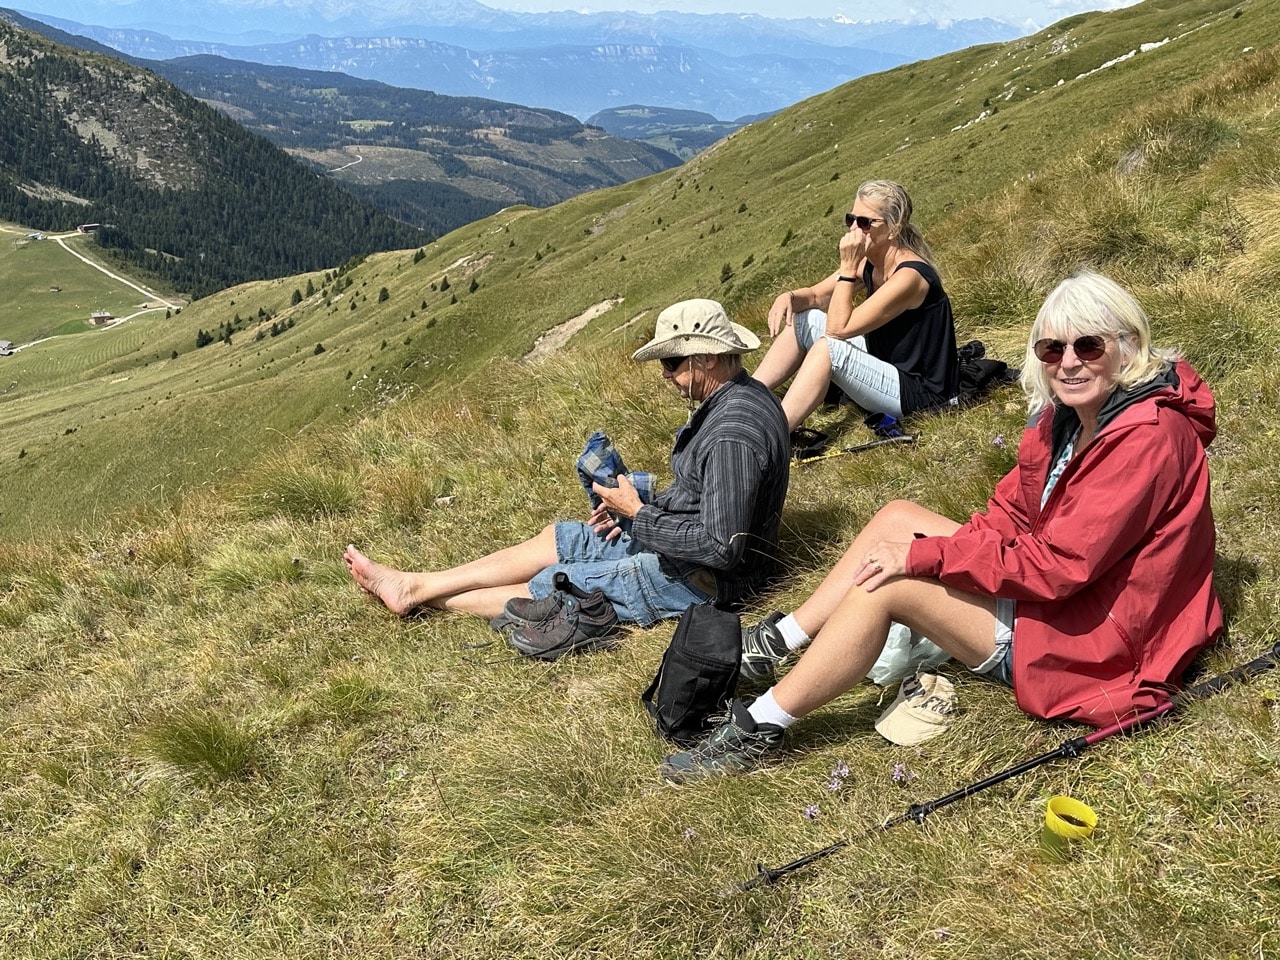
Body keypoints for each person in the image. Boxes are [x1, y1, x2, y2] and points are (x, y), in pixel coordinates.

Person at [661, 271, 1224, 782]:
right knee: (897, 519)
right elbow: (1011, 514)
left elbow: (1058, 568)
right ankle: (782, 642)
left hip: (1094, 642)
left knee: (893, 582)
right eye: (1053, 348)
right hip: (1069, 599)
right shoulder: (1074, 418)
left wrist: (925, 562)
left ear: (1127, 348)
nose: (1069, 362)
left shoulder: (1145, 438)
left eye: (1088, 345)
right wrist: (935, 552)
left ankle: (758, 727)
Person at [344, 298, 790, 648]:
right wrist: (633, 506)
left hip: (705, 583)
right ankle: (415, 585)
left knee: (547, 586)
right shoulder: (744, 395)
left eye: (671, 364)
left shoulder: (732, 434)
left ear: (706, 359)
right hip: (684, 551)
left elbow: (721, 547)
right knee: (562, 539)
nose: (665, 375)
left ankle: (420, 596)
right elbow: (708, 499)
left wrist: (638, 514)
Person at [753, 179, 959, 432]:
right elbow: (817, 296)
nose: (853, 229)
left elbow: (838, 330)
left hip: (920, 393)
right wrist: (789, 297)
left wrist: (848, 269)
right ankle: (746, 397)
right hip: (886, 365)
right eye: (850, 219)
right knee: (804, 319)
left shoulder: (910, 277)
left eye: (864, 223)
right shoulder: (873, 262)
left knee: (828, 348)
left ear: (893, 229)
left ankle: (769, 434)